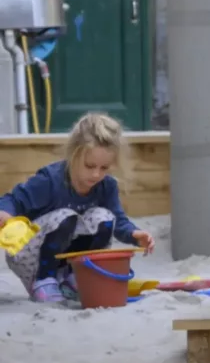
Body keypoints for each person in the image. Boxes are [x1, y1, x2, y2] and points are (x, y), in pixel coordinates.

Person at [0, 112, 154, 303]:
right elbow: (12, 200)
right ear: (74, 154)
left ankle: (76, 277)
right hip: (31, 258)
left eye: (104, 168)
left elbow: (118, 220)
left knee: (103, 217)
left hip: (66, 258)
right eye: (89, 166)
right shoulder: (51, 180)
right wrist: (5, 215)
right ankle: (45, 281)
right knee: (66, 216)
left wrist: (134, 234)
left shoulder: (106, 186)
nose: (96, 174)